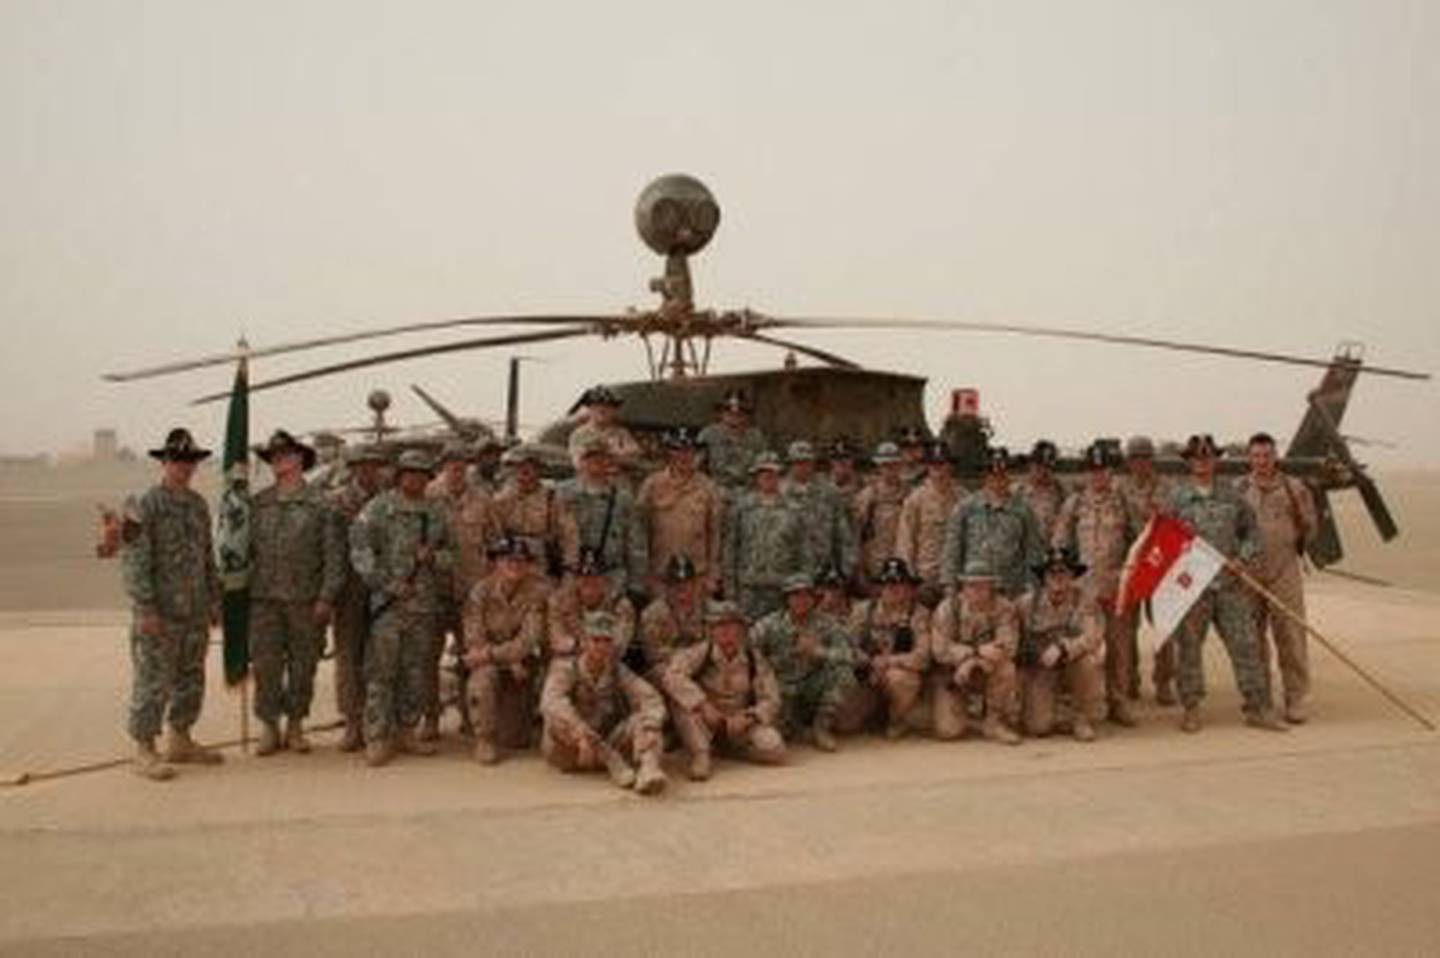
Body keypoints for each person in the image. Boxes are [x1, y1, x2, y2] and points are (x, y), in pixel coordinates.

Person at [119, 428, 224, 780]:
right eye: (177, 460)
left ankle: (181, 739)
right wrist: (145, 608)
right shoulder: (143, 505)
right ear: (164, 462)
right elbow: (134, 561)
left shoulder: (197, 506)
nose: (184, 467)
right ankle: (145, 749)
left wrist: (213, 600)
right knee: (153, 680)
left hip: (193, 613)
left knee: (190, 678)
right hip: (160, 614)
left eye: (190, 461)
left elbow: (208, 557)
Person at [1166, 434, 1288, 734]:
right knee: (1190, 650)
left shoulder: (1233, 496)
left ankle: (1257, 708)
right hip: (1193, 588)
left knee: (1246, 645)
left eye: (1207, 458)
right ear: (1189, 462)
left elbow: (1252, 534)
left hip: (1230, 585)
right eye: (1196, 458)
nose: (1202, 463)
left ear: (1215, 461)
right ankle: (1191, 709)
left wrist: (1242, 559)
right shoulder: (1177, 499)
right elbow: (1165, 541)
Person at [349, 450, 455, 766]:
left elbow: (451, 555)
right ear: (399, 476)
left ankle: (407, 731)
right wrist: (385, 583)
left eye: (423, 474)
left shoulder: (436, 512)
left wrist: (433, 557)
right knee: (381, 672)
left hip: (423, 606)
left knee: (415, 672)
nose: (416, 479)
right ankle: (378, 737)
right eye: (410, 473)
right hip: (389, 606)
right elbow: (360, 550)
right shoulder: (379, 508)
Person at [248, 430, 345, 756]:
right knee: (266, 666)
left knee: (304, 666)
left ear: (300, 460)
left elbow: (334, 556)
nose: (279, 461)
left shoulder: (322, 505)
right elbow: (243, 554)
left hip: (306, 601)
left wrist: (327, 598)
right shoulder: (258, 505)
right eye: (274, 457)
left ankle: (296, 726)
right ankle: (269, 726)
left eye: (286, 456)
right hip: (264, 601)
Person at [1053, 441, 1139, 726]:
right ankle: (1081, 707)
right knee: (1084, 648)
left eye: (1103, 470)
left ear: (1111, 472)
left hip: (1117, 586)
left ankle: (1119, 703)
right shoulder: (1074, 503)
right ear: (1086, 473)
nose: (1098, 476)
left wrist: (1129, 572)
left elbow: (1139, 541)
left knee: (1120, 649)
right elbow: (1060, 545)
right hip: (1084, 589)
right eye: (1092, 471)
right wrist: (1064, 583)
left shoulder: (1124, 502)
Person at [1235, 431, 1318, 724]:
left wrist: (1287, 544)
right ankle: (1261, 699)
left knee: (1291, 636)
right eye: (1255, 456)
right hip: (1249, 574)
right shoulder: (1239, 489)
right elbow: (1231, 529)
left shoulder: (1295, 489)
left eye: (1266, 456)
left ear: (1275, 457)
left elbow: (1309, 526)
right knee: (1252, 640)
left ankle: (1296, 699)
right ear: (1249, 458)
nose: (1261, 461)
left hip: (1284, 572)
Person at [539, 611, 668, 795]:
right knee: (555, 717)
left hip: (607, 740)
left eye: (607, 641)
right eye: (595, 640)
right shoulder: (565, 668)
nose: (601, 646)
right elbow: (552, 702)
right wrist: (580, 733)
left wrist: (651, 725)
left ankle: (648, 769)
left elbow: (649, 697)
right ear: (584, 642)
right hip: (572, 752)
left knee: (644, 720)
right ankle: (611, 760)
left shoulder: (617, 670)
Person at [663, 600, 786, 780]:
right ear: (710, 630)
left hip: (738, 721)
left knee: (776, 750)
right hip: (707, 720)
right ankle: (701, 754)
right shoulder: (700, 653)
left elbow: (772, 698)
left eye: (731, 625)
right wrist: (703, 704)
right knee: (681, 702)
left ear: (742, 630)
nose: (725, 631)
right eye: (719, 625)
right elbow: (672, 676)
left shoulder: (753, 658)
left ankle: (730, 750)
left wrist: (750, 717)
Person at [750, 574, 857, 751]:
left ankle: (821, 727)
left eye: (806, 595)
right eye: (795, 595)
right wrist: (771, 663)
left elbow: (851, 656)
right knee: (779, 731)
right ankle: (796, 728)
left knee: (842, 673)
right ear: (786, 599)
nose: (801, 600)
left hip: (811, 684)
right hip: (781, 686)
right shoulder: (769, 624)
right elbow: (748, 650)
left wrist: (819, 652)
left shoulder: (826, 623)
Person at [328, 442, 388, 752]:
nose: (369, 470)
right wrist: (329, 591)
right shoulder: (339, 501)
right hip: (349, 587)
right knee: (349, 657)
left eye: (374, 465)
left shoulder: (389, 500)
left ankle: (378, 722)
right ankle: (353, 722)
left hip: (383, 588)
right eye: (363, 465)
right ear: (352, 468)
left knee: (381, 657)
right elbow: (331, 549)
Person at [1015, 548, 1105, 742]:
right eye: (1052, 572)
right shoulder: (1026, 604)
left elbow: (1092, 637)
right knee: (1038, 728)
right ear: (1044, 577)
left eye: (1063, 572)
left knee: (1089, 661)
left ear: (1072, 576)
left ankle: (1081, 717)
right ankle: (1055, 710)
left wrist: (1063, 647)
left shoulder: (1085, 601)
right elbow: (1014, 641)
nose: (1058, 577)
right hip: (1041, 669)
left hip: (1071, 666)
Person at [929, 559, 1022, 745]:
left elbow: (1007, 647)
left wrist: (972, 661)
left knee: (1006, 668)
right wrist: (976, 651)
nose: (977, 591)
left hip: (986, 670)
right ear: (963, 586)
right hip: (952, 675)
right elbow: (939, 650)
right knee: (948, 732)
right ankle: (965, 713)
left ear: (992, 587)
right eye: (971, 585)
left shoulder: (1005, 608)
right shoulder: (947, 608)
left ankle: (994, 722)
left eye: (983, 585)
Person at [840, 558, 932, 739]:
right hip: (868, 675)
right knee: (845, 724)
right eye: (887, 583)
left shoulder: (920, 615)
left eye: (899, 583)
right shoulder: (863, 611)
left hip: (899, 675)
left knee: (898, 679)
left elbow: (924, 656)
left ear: (909, 588)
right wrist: (869, 662)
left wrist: (890, 662)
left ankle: (897, 718)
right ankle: (876, 712)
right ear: (879, 587)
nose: (893, 588)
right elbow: (846, 645)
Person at [940, 447, 1045, 598]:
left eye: (1002, 474)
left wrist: (1032, 586)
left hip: (1011, 590)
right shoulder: (966, 507)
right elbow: (952, 548)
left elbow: (1032, 552)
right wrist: (949, 584)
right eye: (992, 474)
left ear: (1009, 476)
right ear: (985, 476)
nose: (997, 479)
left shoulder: (1023, 511)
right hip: (974, 588)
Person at [1117, 435, 1174, 702]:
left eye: (1145, 457)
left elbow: (1174, 523)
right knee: (1127, 629)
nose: (1140, 462)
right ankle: (1130, 681)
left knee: (1163, 627)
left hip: (1158, 564)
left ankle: (1163, 682)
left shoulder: (1167, 488)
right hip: (1129, 564)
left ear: (1152, 460)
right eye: (1136, 457)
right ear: (1128, 462)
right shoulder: (1119, 488)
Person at [636, 426, 724, 596]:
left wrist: (713, 573)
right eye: (677, 450)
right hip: (661, 572)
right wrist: (644, 572)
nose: (683, 456)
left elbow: (715, 532)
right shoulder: (652, 485)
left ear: (696, 454)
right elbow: (639, 531)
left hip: (698, 573)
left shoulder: (708, 487)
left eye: (688, 451)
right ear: (669, 453)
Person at [725, 451, 809, 621]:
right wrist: (730, 588)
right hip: (748, 587)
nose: (768, 478)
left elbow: (804, 552)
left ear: (780, 475)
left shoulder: (795, 510)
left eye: (773, 473)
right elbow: (731, 548)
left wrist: (801, 589)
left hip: (782, 587)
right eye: (763, 473)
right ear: (756, 476)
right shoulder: (742, 508)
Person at [557, 438, 647, 597]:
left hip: (611, 577)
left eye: (602, 457)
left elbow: (635, 543)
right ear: (580, 461)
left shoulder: (623, 498)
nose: (596, 461)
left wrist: (636, 585)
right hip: (573, 577)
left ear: (609, 461)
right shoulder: (563, 493)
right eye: (590, 457)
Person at [492, 443, 574, 582]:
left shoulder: (552, 498)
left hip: (542, 564)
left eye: (530, 466)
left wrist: (569, 569)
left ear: (539, 470)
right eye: (520, 466)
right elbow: (493, 533)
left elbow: (569, 535)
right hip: (510, 564)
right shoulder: (501, 499)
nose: (525, 470)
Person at [895, 442, 962, 606]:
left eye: (942, 463)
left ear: (950, 466)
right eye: (933, 464)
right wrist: (909, 580)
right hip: (926, 580)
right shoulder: (916, 499)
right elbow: (905, 541)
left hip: (957, 579)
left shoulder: (964, 498)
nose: (937, 468)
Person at [783, 439, 857, 581]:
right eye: (798, 462)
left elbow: (843, 534)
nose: (802, 467)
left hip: (823, 571)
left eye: (806, 462)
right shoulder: (780, 493)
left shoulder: (829, 492)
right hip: (789, 571)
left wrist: (845, 570)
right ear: (790, 465)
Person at [546, 547, 637, 659]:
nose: (589, 582)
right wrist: (595, 645)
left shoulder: (620, 605)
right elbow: (557, 641)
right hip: (568, 662)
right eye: (583, 578)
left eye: (595, 578)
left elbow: (618, 647)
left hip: (606, 663)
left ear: (605, 579)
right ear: (575, 579)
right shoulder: (559, 601)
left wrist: (577, 644)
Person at [635, 554, 707, 686]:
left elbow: (712, 646)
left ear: (694, 584)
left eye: (686, 584)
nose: (681, 590)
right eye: (676, 585)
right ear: (667, 587)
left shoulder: (707, 610)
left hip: (700, 665)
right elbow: (653, 654)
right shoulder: (652, 614)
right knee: (672, 676)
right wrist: (687, 658)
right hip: (666, 667)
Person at [852, 441, 908, 591]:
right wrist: (860, 570)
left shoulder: (910, 495)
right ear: (878, 466)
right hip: (876, 567)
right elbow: (856, 536)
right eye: (885, 465)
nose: (890, 469)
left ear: (900, 465)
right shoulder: (867, 496)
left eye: (894, 464)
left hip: (903, 566)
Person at [698, 389, 767, 496]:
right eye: (729, 411)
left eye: (740, 413)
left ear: (746, 415)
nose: (734, 416)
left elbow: (764, 467)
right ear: (721, 413)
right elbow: (697, 467)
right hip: (716, 491)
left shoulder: (755, 437)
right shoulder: (708, 435)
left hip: (749, 493)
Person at [567, 386, 643, 477]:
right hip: (591, 482)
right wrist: (616, 454)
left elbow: (635, 457)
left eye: (608, 407)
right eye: (597, 406)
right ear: (590, 409)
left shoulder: (621, 433)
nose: (602, 410)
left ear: (614, 411)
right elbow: (579, 463)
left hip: (617, 480)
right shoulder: (579, 435)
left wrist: (609, 454)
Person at [1015, 439, 1066, 542]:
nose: (1043, 472)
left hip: (1048, 552)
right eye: (1038, 466)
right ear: (1030, 465)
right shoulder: (1016, 491)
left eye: (1047, 467)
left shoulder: (1061, 493)